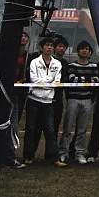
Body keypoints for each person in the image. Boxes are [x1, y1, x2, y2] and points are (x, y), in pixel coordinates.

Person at [22, 35, 64, 166]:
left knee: (50, 131)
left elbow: (56, 82)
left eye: (51, 45)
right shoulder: (34, 62)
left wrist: (46, 82)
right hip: (34, 100)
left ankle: (54, 158)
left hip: (48, 102)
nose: (49, 48)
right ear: (41, 47)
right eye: (47, 45)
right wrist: (48, 81)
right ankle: (28, 156)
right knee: (30, 129)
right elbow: (34, 80)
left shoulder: (57, 64)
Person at [58, 40, 98, 164]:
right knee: (67, 128)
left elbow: (95, 81)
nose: (84, 51)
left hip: (86, 100)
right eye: (82, 48)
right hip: (73, 100)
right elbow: (71, 79)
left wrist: (81, 80)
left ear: (90, 52)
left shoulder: (94, 66)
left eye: (87, 49)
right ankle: (63, 153)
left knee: (82, 129)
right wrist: (86, 80)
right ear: (78, 51)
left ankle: (79, 153)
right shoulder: (72, 66)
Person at [3, 31, 29, 169]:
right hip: (3, 98)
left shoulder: (22, 59)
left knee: (13, 128)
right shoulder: (4, 57)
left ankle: (10, 158)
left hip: (14, 99)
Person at [51, 36, 70, 140]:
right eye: (59, 46)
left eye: (64, 47)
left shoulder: (66, 64)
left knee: (55, 125)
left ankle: (50, 152)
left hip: (58, 98)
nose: (61, 49)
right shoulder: (49, 60)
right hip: (45, 96)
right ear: (55, 47)